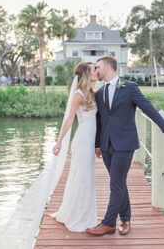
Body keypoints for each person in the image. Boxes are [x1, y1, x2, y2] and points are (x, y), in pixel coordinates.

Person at [86, 56, 164, 237]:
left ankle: (108, 223)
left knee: (116, 183)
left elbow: (147, 107)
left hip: (125, 143)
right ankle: (126, 219)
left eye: (98, 67)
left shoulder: (130, 87)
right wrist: (97, 144)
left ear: (108, 67)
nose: (96, 70)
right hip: (106, 144)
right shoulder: (100, 93)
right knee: (118, 183)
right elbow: (100, 121)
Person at [51, 61, 98, 232]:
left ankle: (85, 214)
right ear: (87, 74)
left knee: (87, 178)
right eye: (94, 70)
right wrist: (59, 141)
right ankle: (78, 217)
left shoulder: (92, 92)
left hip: (91, 140)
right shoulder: (78, 94)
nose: (96, 72)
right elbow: (69, 119)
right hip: (83, 140)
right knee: (81, 177)